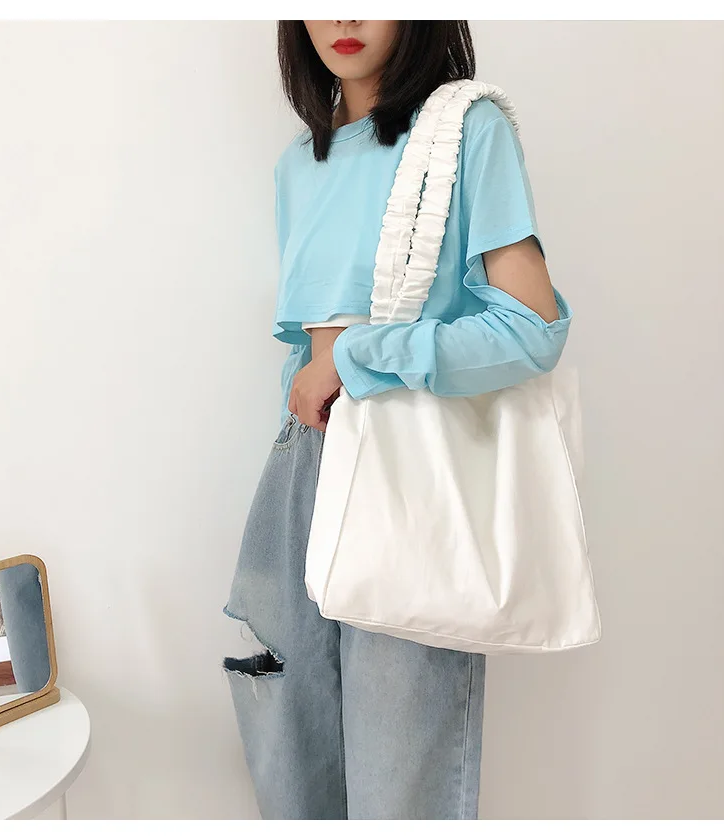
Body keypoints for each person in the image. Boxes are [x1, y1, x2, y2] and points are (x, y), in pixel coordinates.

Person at [223, 20, 570, 820]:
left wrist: (355, 358)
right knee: (292, 765)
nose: (344, 19)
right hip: (300, 477)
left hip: (406, 484)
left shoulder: (466, 130)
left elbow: (533, 329)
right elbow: (307, 352)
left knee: (399, 787)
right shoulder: (297, 166)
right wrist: (314, 375)